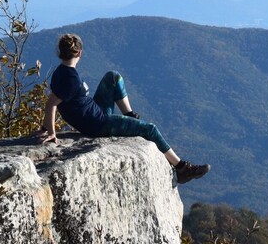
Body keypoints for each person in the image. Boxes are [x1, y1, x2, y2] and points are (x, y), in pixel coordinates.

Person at [38, 33, 211, 184]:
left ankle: (128, 114)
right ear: (80, 53)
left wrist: (45, 127)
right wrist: (51, 132)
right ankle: (182, 168)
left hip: (95, 112)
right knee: (150, 129)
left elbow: (53, 100)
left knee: (113, 77)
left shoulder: (61, 71)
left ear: (61, 53)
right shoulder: (71, 79)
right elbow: (52, 102)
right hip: (98, 124)